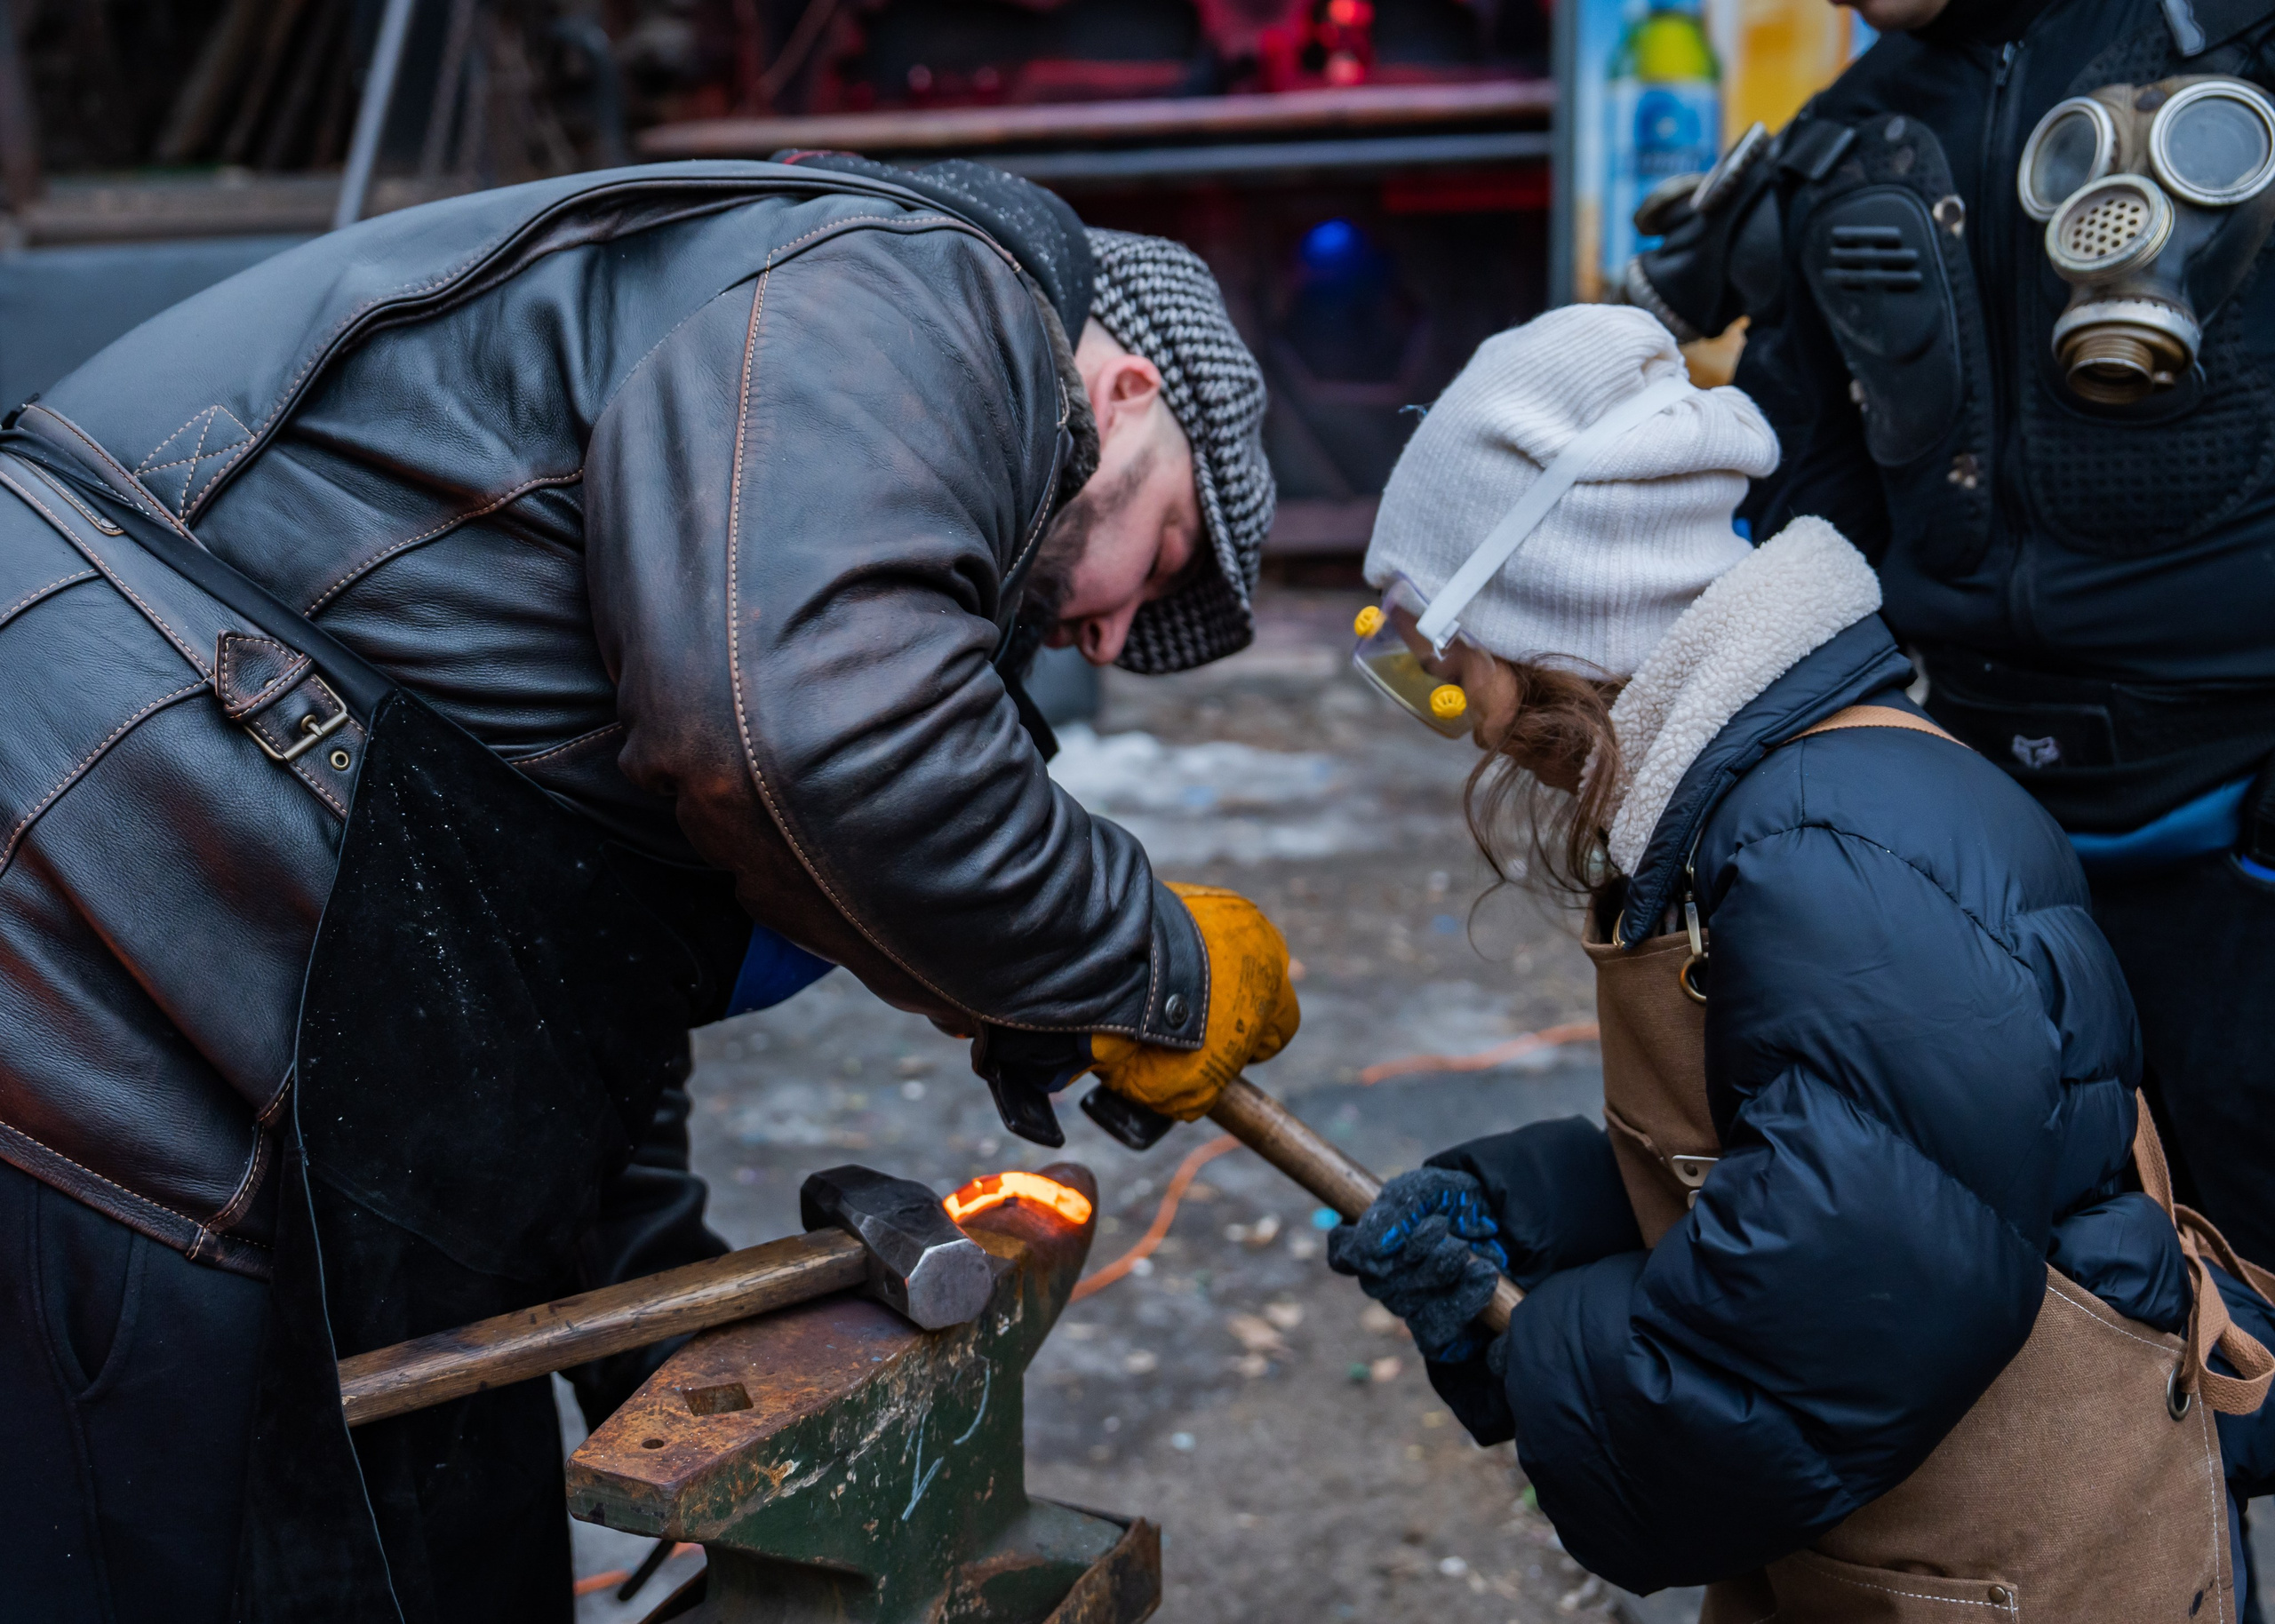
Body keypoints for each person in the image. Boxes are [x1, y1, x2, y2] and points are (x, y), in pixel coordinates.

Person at [0, 156, 1297, 1622]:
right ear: (1122, 392)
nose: (1114, 639)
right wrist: (1152, 964)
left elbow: (573, 960)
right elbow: (812, 746)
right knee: (179, 1544)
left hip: (233, 939)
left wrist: (674, 1332)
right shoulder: (934, 291)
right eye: (1163, 557)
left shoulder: (779, 471)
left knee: (437, 1526)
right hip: (99, 945)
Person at [1327, 304, 2275, 1616]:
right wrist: (1518, 1213)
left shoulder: (1828, 849)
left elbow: (1827, 1331)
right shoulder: (1783, 794)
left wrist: (1532, 1350)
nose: (1474, 724)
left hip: (2021, 1578)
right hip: (1918, 1563)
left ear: (1560, 601)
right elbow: (1820, 1151)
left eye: (1448, 664)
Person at [1624, 0, 2275, 1318]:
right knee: (2061, 1314)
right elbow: (1803, 525)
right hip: (1982, 827)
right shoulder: (1840, 144)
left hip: (2246, 813)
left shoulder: (2240, 50)